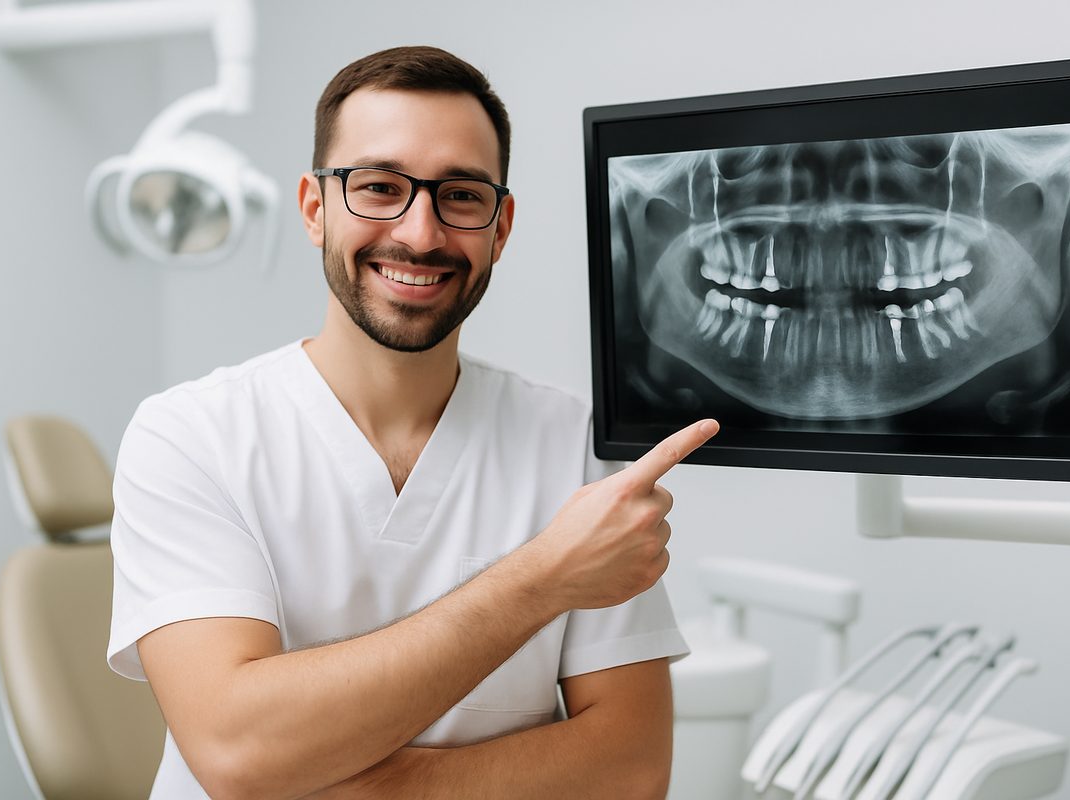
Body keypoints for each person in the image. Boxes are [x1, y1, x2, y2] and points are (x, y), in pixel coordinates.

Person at [107, 45, 718, 799]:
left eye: (459, 196)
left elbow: (630, 769)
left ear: (500, 227)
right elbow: (237, 751)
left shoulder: (574, 445)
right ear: (313, 208)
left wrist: (343, 782)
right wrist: (542, 578)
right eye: (378, 187)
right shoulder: (190, 436)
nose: (421, 234)